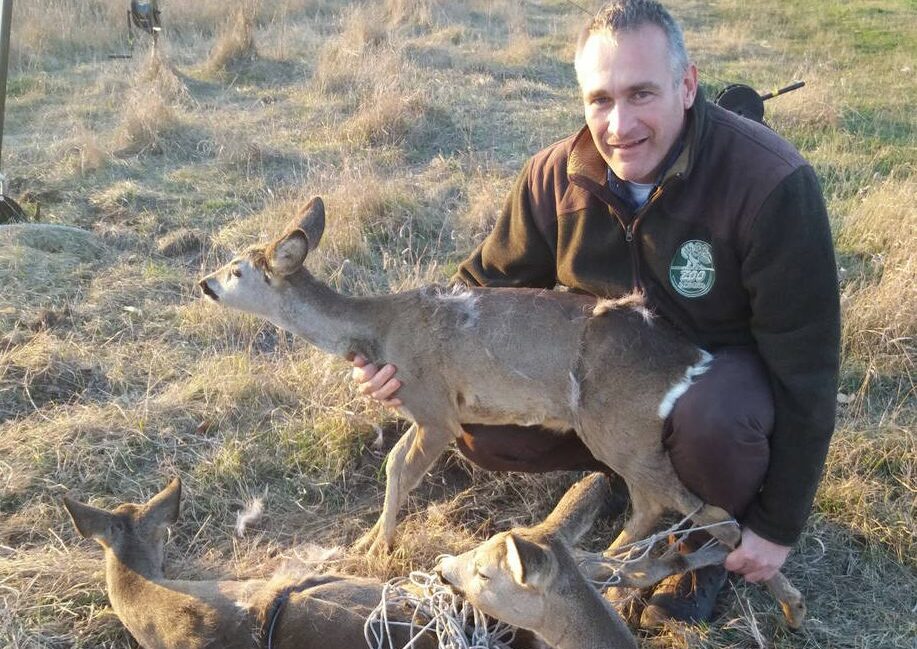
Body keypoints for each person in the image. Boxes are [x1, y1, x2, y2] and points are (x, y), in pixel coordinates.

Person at [352, 0, 840, 629]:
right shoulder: (556, 177)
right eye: (600, 99)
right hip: (603, 379)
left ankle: (697, 545)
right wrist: (399, 365)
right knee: (477, 424)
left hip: (709, 379)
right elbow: (472, 291)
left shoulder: (771, 185)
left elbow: (809, 369)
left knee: (716, 425)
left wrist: (777, 524)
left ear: (687, 84)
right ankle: (629, 471)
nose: (619, 124)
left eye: (642, 94)